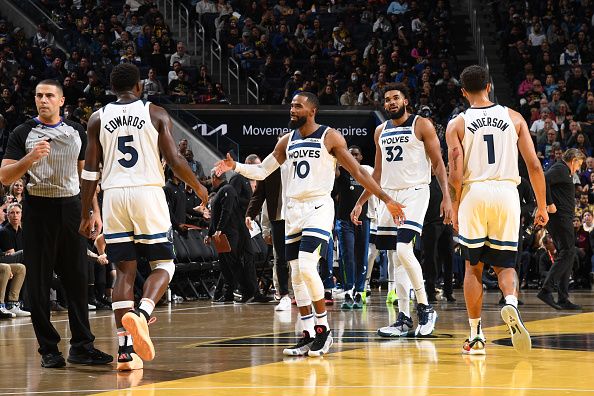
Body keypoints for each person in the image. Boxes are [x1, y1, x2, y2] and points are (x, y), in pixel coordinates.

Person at [215, 92, 405, 357]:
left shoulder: (330, 137)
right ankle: (306, 334)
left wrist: (386, 199)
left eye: (298, 106)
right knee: (296, 275)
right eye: (291, 106)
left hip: (318, 206)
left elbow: (359, 171)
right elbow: (262, 171)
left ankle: (323, 331)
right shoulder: (286, 140)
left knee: (306, 265)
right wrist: (235, 165)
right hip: (292, 209)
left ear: (312, 111)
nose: (292, 110)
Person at [79, 63, 208, 371]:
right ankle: (142, 312)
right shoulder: (155, 113)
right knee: (164, 264)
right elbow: (175, 160)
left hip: (113, 196)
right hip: (147, 193)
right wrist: (199, 187)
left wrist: (86, 212)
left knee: (123, 272)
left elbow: (90, 170)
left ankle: (124, 352)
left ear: (112, 89)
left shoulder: (97, 118)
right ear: (139, 87)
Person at [0, 79, 112, 368]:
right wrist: (30, 157)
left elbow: (87, 177)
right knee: (38, 284)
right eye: (38, 95)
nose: (43, 100)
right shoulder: (22, 132)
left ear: (61, 101)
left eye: (49, 95)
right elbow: (5, 177)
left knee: (77, 279)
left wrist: (94, 211)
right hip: (37, 209)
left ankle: (82, 346)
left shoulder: (76, 131)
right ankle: (49, 349)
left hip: (72, 206)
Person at [446, 65, 548, 355]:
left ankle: (476, 335)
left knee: (473, 267)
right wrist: (541, 205)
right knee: (505, 265)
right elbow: (534, 166)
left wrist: (453, 208)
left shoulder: (458, 124)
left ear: (463, 91)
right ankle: (512, 303)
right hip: (506, 192)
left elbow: (455, 173)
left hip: (474, 193)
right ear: (489, 86)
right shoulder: (514, 118)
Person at [351, 82, 451, 338]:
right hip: (390, 197)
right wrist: (361, 201)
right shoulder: (380, 131)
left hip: (416, 192)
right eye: (387, 99)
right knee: (395, 258)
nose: (391, 102)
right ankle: (404, 318)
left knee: (403, 249)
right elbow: (378, 173)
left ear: (405, 101)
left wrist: (447, 198)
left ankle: (426, 308)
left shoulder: (421, 124)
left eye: (396, 98)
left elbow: (439, 164)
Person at [538, 148, 585, 310]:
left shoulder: (564, 171)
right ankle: (546, 290)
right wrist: (549, 204)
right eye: (579, 164)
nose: (578, 168)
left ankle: (563, 297)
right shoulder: (560, 168)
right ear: (573, 160)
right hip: (559, 219)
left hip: (564, 219)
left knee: (568, 254)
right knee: (568, 252)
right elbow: (542, 180)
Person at [335, 145, 372, 309]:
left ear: (362, 157)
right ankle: (348, 291)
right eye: (350, 155)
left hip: (364, 219)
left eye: (356, 154)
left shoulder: (366, 172)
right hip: (344, 220)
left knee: (362, 256)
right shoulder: (341, 171)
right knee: (347, 256)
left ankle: (359, 291)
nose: (354, 157)